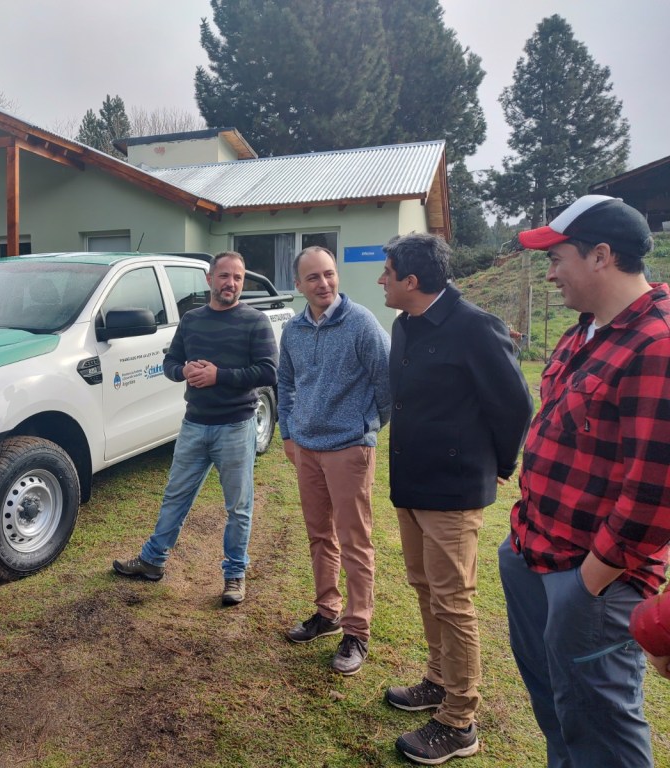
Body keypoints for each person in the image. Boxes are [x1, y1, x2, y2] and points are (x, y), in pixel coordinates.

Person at [499, 195, 670, 768]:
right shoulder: (584, 332)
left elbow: (655, 490)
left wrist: (588, 584)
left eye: (557, 258)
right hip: (532, 548)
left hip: (591, 578)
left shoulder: (659, 344)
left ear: (601, 256)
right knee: (558, 708)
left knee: (602, 727)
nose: (549, 273)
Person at [378, 233, 533, 765]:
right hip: (411, 485)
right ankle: (438, 679)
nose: (381, 280)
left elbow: (514, 405)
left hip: (453, 490)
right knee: (424, 588)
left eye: (387, 272)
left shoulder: (475, 327)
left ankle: (459, 719)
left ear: (412, 281)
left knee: (454, 601)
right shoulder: (404, 325)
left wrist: (500, 465)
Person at [113, 251, 278, 605]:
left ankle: (234, 575)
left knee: (238, 506)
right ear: (209, 279)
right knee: (176, 496)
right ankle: (153, 561)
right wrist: (183, 371)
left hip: (236, 425)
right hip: (194, 424)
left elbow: (268, 372)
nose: (230, 283)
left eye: (237, 277)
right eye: (224, 276)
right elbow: (170, 362)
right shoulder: (192, 321)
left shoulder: (255, 322)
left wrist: (220, 375)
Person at [278, 246, 391, 676]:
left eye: (329, 274)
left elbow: (387, 385)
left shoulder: (361, 323)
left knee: (355, 540)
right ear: (298, 285)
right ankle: (327, 613)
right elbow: (285, 382)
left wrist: (364, 429)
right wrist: (288, 433)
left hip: (349, 450)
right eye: (313, 278)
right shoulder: (294, 331)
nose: (323, 284)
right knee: (319, 535)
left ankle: (357, 630)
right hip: (306, 449)